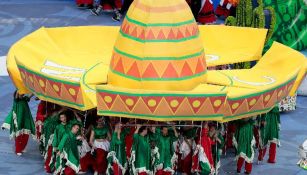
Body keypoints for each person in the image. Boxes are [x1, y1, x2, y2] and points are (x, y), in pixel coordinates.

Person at [1, 90, 35, 156]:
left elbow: (31, 95)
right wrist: (19, 88)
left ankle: (22, 148)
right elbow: (17, 95)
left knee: (26, 135)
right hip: (18, 120)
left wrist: (34, 90)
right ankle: (18, 150)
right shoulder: (16, 100)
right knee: (18, 135)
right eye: (20, 93)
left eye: (22, 93)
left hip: (26, 119)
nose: (22, 94)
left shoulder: (25, 99)